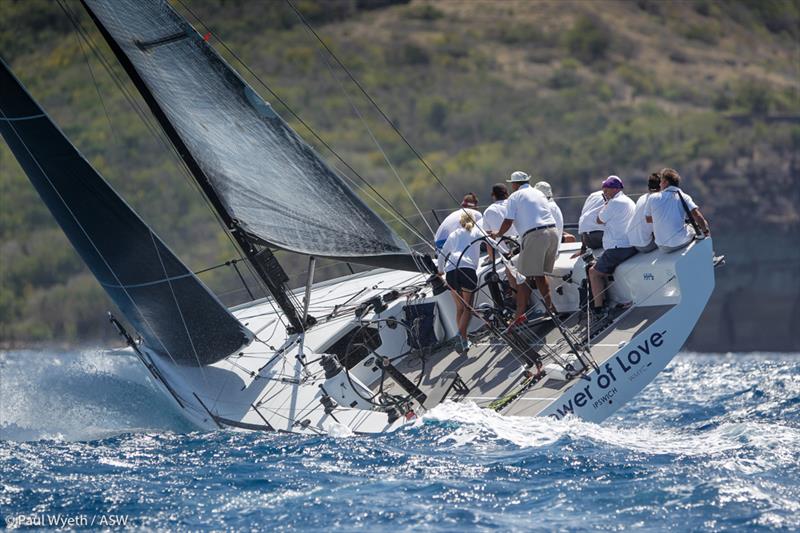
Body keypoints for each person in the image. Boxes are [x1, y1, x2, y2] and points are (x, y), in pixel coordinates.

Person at [490, 170, 559, 321]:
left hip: (535, 236)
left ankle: (519, 315)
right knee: (540, 275)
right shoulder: (538, 193)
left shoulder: (514, 196)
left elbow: (508, 221)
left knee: (522, 278)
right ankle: (551, 308)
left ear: (514, 184)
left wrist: (498, 234)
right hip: (553, 233)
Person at [588, 176, 637, 311]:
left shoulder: (614, 203)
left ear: (615, 189)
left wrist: (605, 204)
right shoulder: (628, 201)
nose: (604, 191)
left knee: (593, 272)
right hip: (628, 245)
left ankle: (598, 307)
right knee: (597, 266)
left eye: (606, 188)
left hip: (618, 248)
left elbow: (599, 220)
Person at [438, 211, 483, 352]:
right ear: (474, 221)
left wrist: (440, 270)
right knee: (468, 307)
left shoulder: (453, 234)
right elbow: (492, 243)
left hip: (450, 271)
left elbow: (441, 254)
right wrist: (504, 252)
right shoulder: (476, 231)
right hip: (466, 270)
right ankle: (460, 335)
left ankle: (464, 340)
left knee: (460, 308)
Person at [645, 168, 711, 252]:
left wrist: (665, 218)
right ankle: (710, 255)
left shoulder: (652, 197)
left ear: (666, 182)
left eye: (661, 181)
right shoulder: (684, 197)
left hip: (662, 246)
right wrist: (706, 232)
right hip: (678, 243)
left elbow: (648, 219)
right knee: (703, 225)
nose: (660, 184)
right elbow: (697, 216)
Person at [627, 172, 661, 253]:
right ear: (661, 186)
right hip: (645, 245)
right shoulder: (658, 201)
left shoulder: (641, 198)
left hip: (633, 242)